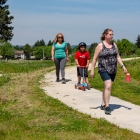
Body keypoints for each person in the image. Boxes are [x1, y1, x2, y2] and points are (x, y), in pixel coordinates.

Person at [90, 28, 128, 114]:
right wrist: (92, 70)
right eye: (110, 34)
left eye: (112, 34)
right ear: (105, 35)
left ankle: (103, 104)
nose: (112, 36)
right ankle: (107, 106)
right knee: (108, 86)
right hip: (103, 68)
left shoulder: (114, 44)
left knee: (107, 87)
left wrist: (123, 66)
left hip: (113, 69)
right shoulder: (100, 45)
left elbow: (117, 56)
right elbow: (94, 59)